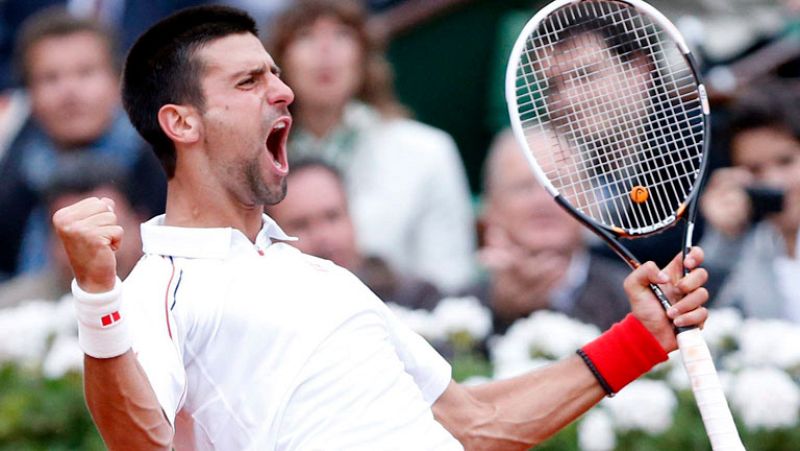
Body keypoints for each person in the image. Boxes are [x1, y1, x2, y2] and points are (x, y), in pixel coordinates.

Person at [52, 6, 709, 449]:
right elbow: (140, 439)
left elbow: (475, 424)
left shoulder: (323, 276)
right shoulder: (157, 289)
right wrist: (97, 296)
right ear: (182, 123)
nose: (282, 93)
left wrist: (639, 341)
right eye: (250, 81)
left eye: (276, 75)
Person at [266, 0, 476, 293]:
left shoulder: (428, 151)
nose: (325, 50)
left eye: (341, 35)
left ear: (364, 57)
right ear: (278, 62)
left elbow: (451, 278)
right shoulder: (256, 156)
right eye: (305, 36)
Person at [0, 7, 166, 278]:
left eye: (86, 73)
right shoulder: (12, 176)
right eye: (50, 78)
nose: (69, 92)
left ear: (118, 81)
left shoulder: (165, 165)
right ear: (28, 92)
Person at [468, 129, 631, 334]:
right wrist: (500, 312)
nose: (543, 201)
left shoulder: (631, 298)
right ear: (491, 208)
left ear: (590, 203)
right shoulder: (456, 311)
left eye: (558, 185)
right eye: (523, 187)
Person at [266, 157, 442, 310]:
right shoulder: (264, 316)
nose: (323, 236)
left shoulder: (416, 299)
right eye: (301, 225)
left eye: (332, 217)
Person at [700, 81, 800, 321]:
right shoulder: (749, 247)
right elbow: (710, 321)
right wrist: (724, 236)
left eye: (785, 162)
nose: (775, 181)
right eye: (755, 170)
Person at [0, 156, 145, 309]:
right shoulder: (10, 312)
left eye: (106, 229)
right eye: (75, 236)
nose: (94, 249)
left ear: (139, 223)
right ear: (47, 240)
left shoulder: (168, 299)